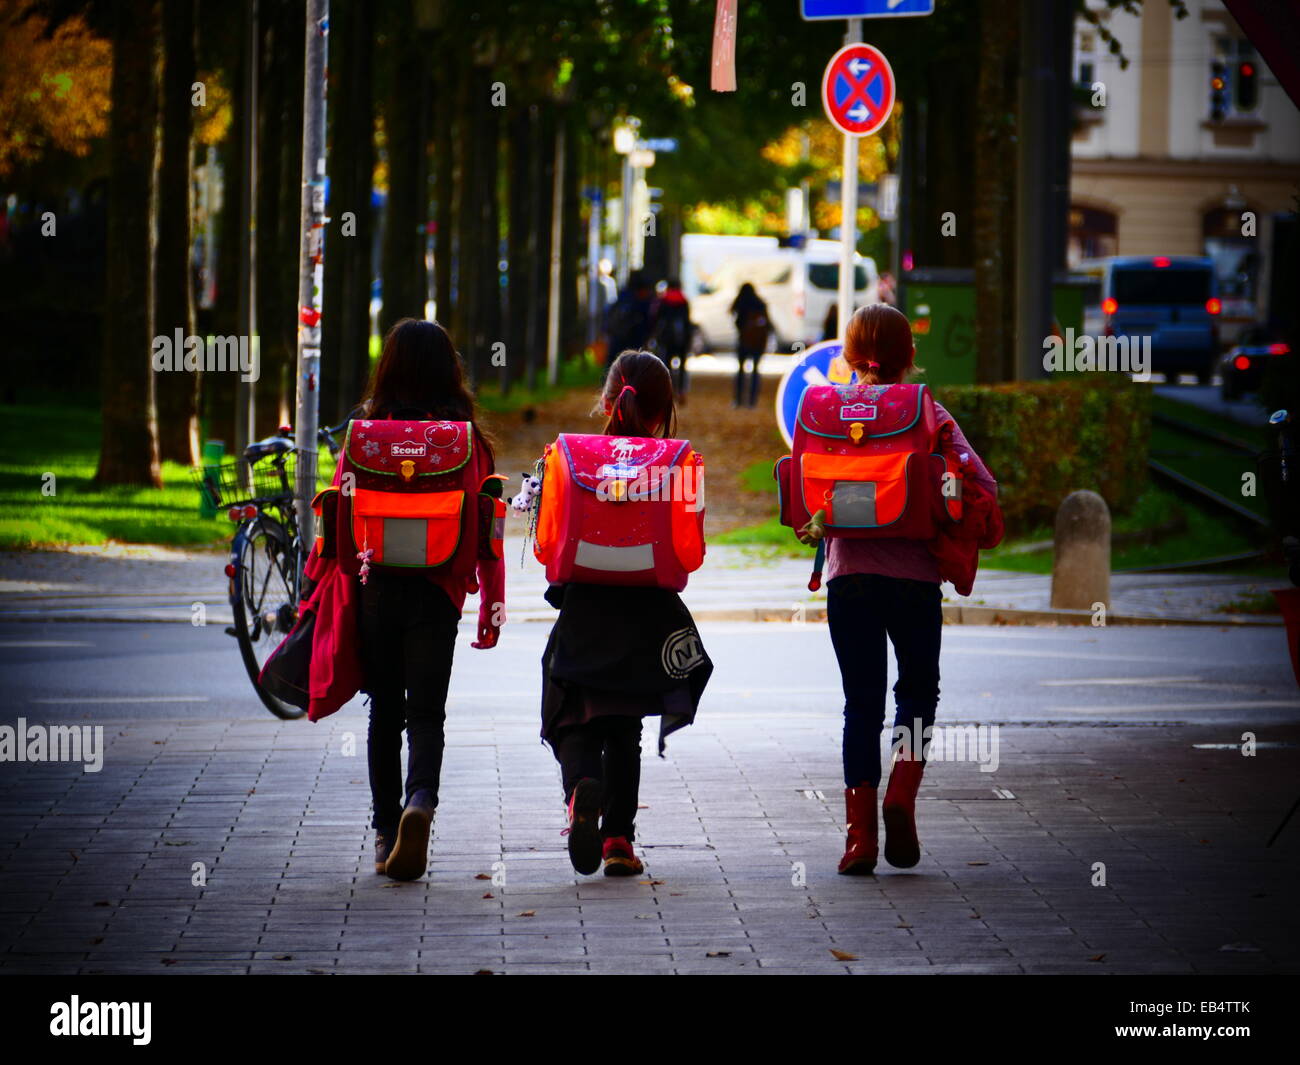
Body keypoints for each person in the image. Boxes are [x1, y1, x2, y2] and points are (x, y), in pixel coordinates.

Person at [824, 304, 997, 876]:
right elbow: (981, 485)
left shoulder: (828, 410)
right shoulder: (929, 412)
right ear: (910, 357)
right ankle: (901, 793)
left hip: (849, 576)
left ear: (849, 356)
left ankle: (859, 839)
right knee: (918, 693)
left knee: (860, 704)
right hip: (915, 580)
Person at [538, 350, 712, 877]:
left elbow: (549, 547)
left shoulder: (568, 456)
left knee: (568, 708)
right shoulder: (679, 461)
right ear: (663, 410)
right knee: (626, 728)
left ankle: (580, 791)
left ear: (608, 397)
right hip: (647, 615)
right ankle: (618, 839)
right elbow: (691, 554)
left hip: (585, 608)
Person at [355, 319, 504, 881]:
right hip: (440, 590)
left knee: (383, 713)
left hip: (377, 589)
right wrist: (492, 603)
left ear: (388, 366)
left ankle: (385, 830)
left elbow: (344, 522)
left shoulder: (365, 433)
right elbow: (489, 532)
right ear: (452, 370)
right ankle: (421, 801)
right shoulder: (466, 440)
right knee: (426, 714)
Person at [649, 277, 693, 397]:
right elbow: (687, 320)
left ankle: (669, 389)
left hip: (667, 337)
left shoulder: (664, 300)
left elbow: (657, 319)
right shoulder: (684, 301)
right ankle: (681, 390)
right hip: (682, 337)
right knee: (682, 365)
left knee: (667, 364)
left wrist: (655, 335)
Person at [731, 282, 769, 408]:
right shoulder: (760, 303)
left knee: (741, 370)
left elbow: (735, 319)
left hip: (744, 341)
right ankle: (752, 401)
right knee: (755, 371)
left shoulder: (740, 302)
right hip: (757, 342)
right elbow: (768, 324)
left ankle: (738, 400)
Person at [604, 272, 654, 366]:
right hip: (636, 339)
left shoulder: (623, 295)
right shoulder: (643, 300)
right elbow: (649, 320)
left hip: (618, 337)